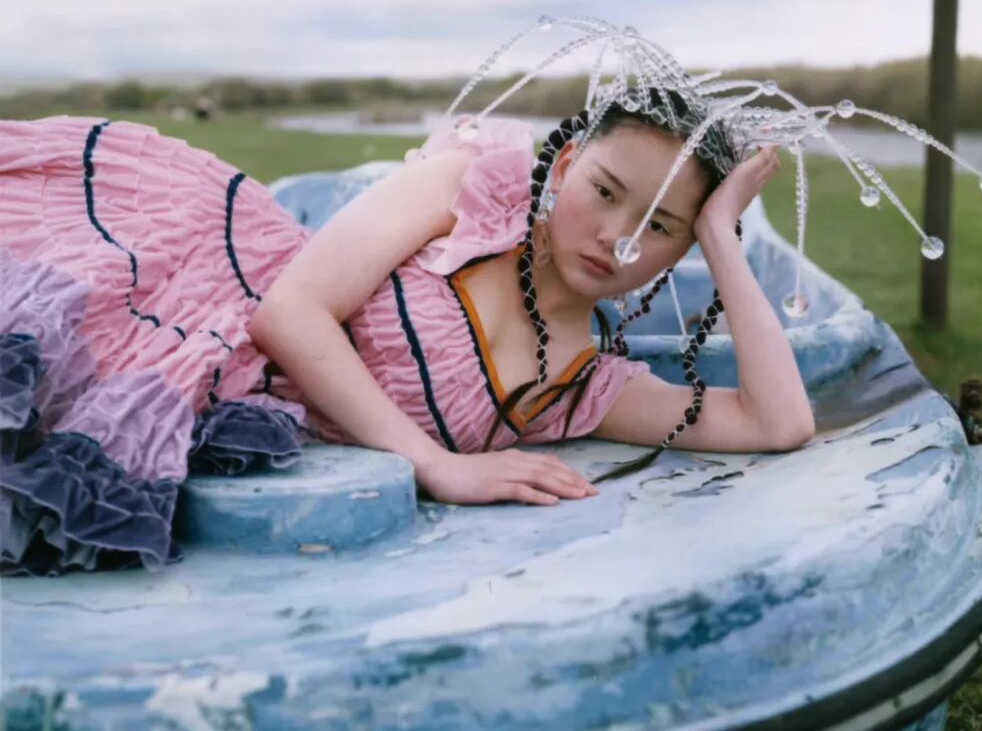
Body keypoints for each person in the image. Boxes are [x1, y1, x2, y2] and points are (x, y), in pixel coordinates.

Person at [0, 84, 812, 576]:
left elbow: (777, 423)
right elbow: (287, 313)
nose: (614, 236)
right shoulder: (469, 192)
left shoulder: (578, 388)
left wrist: (720, 237)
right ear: (565, 167)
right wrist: (435, 464)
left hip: (221, 392)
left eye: (658, 226)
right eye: (604, 191)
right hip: (197, 285)